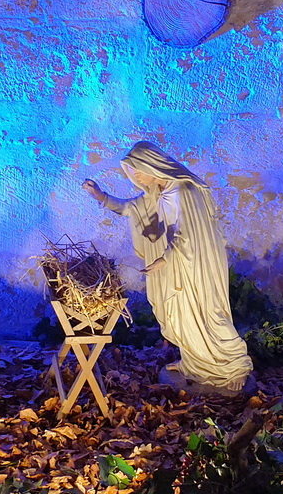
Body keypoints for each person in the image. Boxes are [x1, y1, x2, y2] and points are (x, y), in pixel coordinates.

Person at [82, 141, 252, 394]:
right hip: (177, 263)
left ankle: (234, 366)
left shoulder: (183, 191)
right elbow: (132, 209)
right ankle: (196, 363)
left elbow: (189, 234)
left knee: (207, 312)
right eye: (131, 172)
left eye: (137, 170)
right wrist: (101, 197)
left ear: (153, 165)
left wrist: (163, 259)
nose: (135, 177)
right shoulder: (158, 192)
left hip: (196, 265)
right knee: (181, 315)